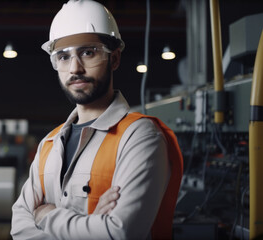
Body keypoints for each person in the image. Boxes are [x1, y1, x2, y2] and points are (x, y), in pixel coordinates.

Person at [10, 0, 183, 239]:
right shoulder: (49, 143)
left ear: (114, 59)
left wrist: (47, 216)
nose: (75, 68)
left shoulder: (140, 137)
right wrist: (91, 223)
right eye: (63, 56)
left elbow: (119, 233)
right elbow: (19, 229)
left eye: (88, 52)